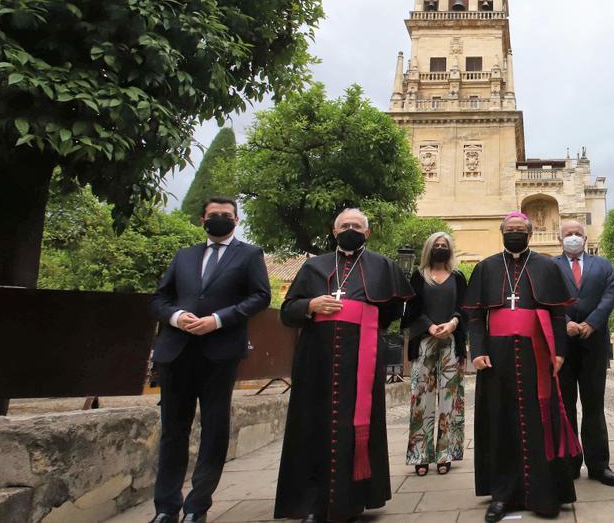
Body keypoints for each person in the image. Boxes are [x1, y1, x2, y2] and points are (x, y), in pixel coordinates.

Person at [274, 208, 413, 523]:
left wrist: (362, 320)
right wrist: (310, 304)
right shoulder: (313, 266)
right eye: (344, 225)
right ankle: (312, 502)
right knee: (313, 424)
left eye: (357, 225)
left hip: (361, 357)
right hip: (316, 359)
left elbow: (392, 310)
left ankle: (353, 500)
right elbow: (287, 310)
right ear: (334, 232)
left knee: (357, 423)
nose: (350, 229)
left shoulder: (383, 266)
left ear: (368, 232)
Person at [147, 196, 271, 523]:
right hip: (177, 350)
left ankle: (196, 507)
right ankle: (165, 507)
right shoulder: (184, 256)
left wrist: (217, 319)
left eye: (226, 215)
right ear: (203, 219)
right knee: (173, 430)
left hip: (220, 351)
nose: (220, 219)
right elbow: (160, 298)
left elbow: (260, 296)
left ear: (237, 219)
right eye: (214, 215)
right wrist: (176, 317)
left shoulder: (249, 255)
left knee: (214, 429)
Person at [463, 212, 580, 521]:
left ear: (530, 233)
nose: (514, 233)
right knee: (500, 420)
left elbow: (556, 314)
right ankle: (502, 495)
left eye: (520, 229)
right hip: (497, 356)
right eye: (509, 229)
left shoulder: (546, 266)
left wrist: (560, 353)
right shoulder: (486, 267)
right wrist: (476, 351)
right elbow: (475, 317)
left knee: (539, 420)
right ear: (501, 232)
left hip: (537, 352)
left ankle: (544, 492)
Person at [552, 219, 614, 486]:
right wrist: (566, 322)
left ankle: (599, 465)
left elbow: (609, 296)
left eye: (578, 233)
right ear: (560, 239)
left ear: (585, 237)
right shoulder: (551, 266)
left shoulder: (602, 265)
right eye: (568, 233)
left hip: (594, 344)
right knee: (566, 406)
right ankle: (569, 464)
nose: (573, 237)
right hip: (563, 347)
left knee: (594, 406)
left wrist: (592, 323)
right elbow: (548, 300)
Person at [402, 231, 467, 477]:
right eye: (437, 245)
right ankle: (420, 454)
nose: (441, 248)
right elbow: (411, 312)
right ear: (429, 249)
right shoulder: (418, 278)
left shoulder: (459, 277)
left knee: (450, 399)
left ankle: (445, 453)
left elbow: (465, 308)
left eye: (445, 245)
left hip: (451, 341)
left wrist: (452, 324)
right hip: (424, 342)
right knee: (421, 398)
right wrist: (429, 326)